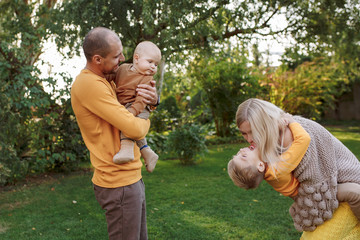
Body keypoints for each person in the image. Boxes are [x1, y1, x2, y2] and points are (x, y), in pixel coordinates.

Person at [71, 27, 158, 240]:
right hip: (118, 183)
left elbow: (132, 97)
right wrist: (146, 120)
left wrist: (152, 102)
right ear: (97, 59)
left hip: (130, 179)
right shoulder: (89, 84)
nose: (122, 58)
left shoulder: (108, 80)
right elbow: (134, 128)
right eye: (116, 55)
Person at [227, 98, 360, 237]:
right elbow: (303, 139)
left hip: (323, 186)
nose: (248, 139)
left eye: (252, 132)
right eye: (244, 133)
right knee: (355, 193)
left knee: (355, 192)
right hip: (308, 196)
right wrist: (291, 120)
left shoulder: (272, 156)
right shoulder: (275, 166)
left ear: (264, 125)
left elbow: (306, 142)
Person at [112, 41, 161, 173]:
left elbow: (142, 100)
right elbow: (112, 79)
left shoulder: (146, 79)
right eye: (150, 61)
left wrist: (131, 112)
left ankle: (126, 150)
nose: (153, 67)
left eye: (156, 64)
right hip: (126, 105)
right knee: (127, 121)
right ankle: (148, 152)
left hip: (140, 108)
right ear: (137, 58)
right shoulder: (122, 69)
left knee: (128, 125)